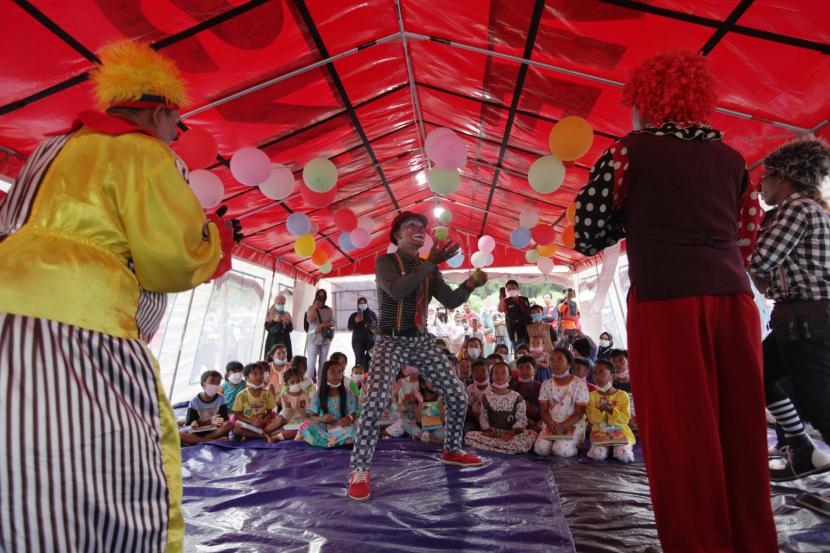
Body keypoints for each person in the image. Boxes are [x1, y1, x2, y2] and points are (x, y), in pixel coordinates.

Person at [0, 40, 240, 553]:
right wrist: (216, 240)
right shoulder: (144, 152)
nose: (177, 137)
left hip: (9, 319)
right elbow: (170, 260)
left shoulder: (49, 148)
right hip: (80, 330)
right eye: (178, 126)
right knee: (111, 481)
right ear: (158, 113)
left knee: (14, 470)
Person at [572, 49, 777, 552]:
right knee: (741, 426)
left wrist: (642, 220)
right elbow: (748, 237)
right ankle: (752, 540)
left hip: (667, 299)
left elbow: (587, 230)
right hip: (732, 298)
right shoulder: (732, 160)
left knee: (682, 431)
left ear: (645, 103)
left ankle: (698, 542)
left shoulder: (629, 151)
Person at [347, 212, 488, 500]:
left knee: (457, 394)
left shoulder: (429, 268)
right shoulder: (385, 262)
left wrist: (471, 284)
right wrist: (432, 263)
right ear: (396, 235)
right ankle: (359, 470)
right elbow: (398, 290)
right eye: (411, 225)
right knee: (374, 402)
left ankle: (451, 449)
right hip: (389, 341)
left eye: (422, 226)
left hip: (421, 340)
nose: (419, 229)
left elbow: (450, 301)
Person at [748, 137, 830, 481]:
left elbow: (761, 258)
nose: (760, 186)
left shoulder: (795, 209)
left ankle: (803, 443)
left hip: (807, 319)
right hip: (800, 317)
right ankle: (800, 445)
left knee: (818, 402)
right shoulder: (810, 209)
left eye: (764, 178)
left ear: (782, 177)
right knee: (760, 373)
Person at [465, 362, 536, 454]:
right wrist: (487, 430)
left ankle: (494, 446)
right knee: (469, 436)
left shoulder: (517, 397)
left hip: (512, 435)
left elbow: (522, 419)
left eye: (503, 373)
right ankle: (507, 448)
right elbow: (483, 417)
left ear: (509, 378)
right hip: (493, 434)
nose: (500, 375)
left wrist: (512, 432)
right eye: (496, 373)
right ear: (491, 377)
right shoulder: (486, 396)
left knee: (530, 436)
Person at [533, 348, 589, 458]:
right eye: (552, 360)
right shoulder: (546, 384)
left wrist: (563, 426)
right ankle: (555, 441)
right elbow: (543, 410)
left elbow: (579, 413)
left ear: (569, 364)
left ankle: (575, 443)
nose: (554, 363)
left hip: (572, 424)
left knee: (561, 451)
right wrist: (551, 424)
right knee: (540, 449)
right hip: (552, 424)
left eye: (559, 360)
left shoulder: (579, 385)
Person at [586, 359, 635, 463]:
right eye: (594, 373)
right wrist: (601, 411)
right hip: (599, 432)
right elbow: (593, 420)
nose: (596, 376)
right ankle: (608, 449)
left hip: (620, 432)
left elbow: (625, 420)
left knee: (624, 456)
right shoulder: (592, 396)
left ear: (612, 377)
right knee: (597, 455)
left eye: (601, 372)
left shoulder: (623, 395)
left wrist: (612, 411)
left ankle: (616, 449)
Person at [299, 361, 357, 448]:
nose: (337, 374)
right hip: (323, 427)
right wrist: (321, 418)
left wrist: (349, 418)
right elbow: (311, 416)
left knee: (352, 430)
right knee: (305, 425)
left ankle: (324, 441)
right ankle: (338, 441)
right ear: (325, 375)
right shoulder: (318, 394)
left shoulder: (348, 393)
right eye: (333, 371)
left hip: (339, 427)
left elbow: (353, 414)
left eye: (339, 371)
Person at [179, 370, 233, 445]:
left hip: (214, 430)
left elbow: (224, 421)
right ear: (203, 384)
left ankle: (202, 440)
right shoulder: (195, 401)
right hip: (199, 430)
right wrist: (196, 423)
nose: (215, 385)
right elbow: (189, 424)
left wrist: (217, 423)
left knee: (229, 424)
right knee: (179, 434)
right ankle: (208, 440)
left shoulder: (221, 399)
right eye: (212, 382)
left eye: (218, 383)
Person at [232, 362, 281, 442]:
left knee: (279, 421)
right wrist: (252, 421)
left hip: (263, 423)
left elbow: (269, 412)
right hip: (248, 423)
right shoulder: (242, 395)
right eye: (255, 374)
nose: (259, 376)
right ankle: (264, 436)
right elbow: (237, 415)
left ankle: (251, 435)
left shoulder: (267, 393)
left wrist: (262, 422)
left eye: (261, 373)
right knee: (236, 429)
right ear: (246, 378)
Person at [270, 367, 310, 441]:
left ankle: (279, 434)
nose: (296, 384)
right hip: (290, 421)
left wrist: (309, 404)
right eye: (292, 382)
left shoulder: (305, 394)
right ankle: (278, 437)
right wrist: (287, 408)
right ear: (287, 384)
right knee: (295, 430)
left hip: (303, 420)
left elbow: (309, 411)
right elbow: (287, 414)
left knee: (306, 428)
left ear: (302, 380)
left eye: (298, 381)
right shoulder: (285, 396)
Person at [305, 289, 335, 383]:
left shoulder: (329, 309)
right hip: (313, 339)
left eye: (323, 296)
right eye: (319, 295)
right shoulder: (311, 308)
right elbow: (310, 320)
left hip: (325, 339)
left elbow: (333, 322)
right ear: (316, 296)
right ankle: (308, 387)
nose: (321, 298)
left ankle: (321, 387)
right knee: (311, 363)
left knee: (323, 363)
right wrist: (314, 307)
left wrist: (322, 325)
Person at [510, 355, 542, 431]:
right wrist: (526, 420)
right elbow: (511, 409)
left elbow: (547, 409)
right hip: (520, 421)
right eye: (521, 368)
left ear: (535, 370)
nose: (524, 371)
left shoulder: (542, 387)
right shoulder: (514, 388)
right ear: (517, 371)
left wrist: (541, 421)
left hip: (539, 421)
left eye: (528, 367)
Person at [499, 280, 531, 350]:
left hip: (526, 329)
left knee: (528, 350)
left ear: (518, 289)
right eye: (509, 289)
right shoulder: (506, 301)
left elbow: (528, 312)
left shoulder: (524, 299)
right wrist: (501, 298)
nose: (511, 290)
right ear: (507, 290)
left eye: (513, 288)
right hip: (514, 331)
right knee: (518, 350)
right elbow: (501, 310)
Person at [348, 296, 377, 370]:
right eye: (360, 303)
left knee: (371, 359)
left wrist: (371, 326)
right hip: (357, 341)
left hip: (370, 341)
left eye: (364, 303)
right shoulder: (354, 315)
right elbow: (349, 327)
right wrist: (356, 322)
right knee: (359, 360)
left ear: (367, 304)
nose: (362, 304)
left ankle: (369, 377)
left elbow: (378, 329)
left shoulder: (372, 314)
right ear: (357, 305)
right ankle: (358, 378)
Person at [465, 359, 492, 432]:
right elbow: (467, 406)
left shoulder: (493, 389)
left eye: (483, 370)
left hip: (490, 419)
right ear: (472, 373)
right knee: (466, 430)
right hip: (473, 418)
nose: (480, 374)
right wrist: (475, 414)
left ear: (488, 372)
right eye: (476, 371)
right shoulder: (469, 388)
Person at [264, 292, 293, 359]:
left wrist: (287, 322)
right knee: (271, 359)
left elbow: (290, 329)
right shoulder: (270, 313)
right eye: (279, 304)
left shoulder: (287, 314)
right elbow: (267, 327)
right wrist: (275, 321)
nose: (280, 305)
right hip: (273, 340)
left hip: (284, 339)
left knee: (285, 358)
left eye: (282, 304)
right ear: (275, 303)